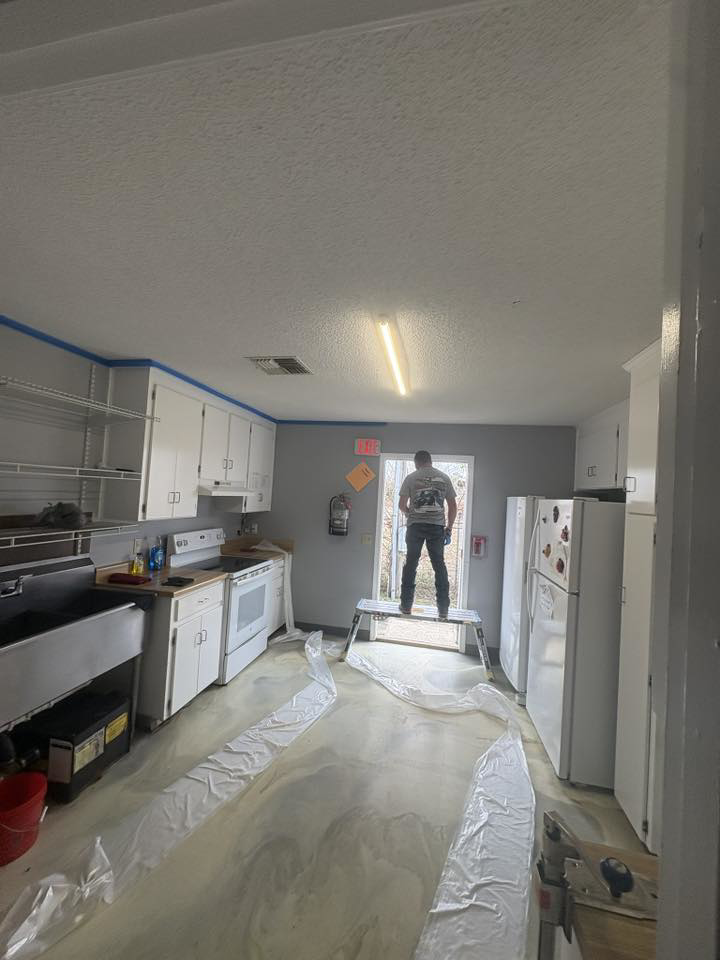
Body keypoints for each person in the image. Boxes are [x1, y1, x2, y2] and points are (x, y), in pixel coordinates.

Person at [398, 451, 457, 619]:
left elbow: (402, 505)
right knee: (439, 565)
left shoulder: (411, 477)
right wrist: (449, 529)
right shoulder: (444, 478)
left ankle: (406, 605)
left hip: (415, 526)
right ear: (430, 461)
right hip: (436, 527)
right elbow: (453, 506)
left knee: (411, 563)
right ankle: (443, 608)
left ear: (417, 463)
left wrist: (411, 513)